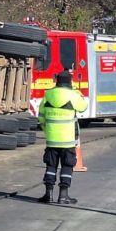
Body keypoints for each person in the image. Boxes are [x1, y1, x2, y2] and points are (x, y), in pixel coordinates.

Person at [37, 71, 88, 204]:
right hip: (67, 140)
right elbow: (83, 107)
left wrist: (47, 130)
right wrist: (78, 94)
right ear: (70, 82)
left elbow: (41, 116)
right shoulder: (72, 95)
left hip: (52, 139)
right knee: (67, 165)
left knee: (51, 166)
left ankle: (48, 195)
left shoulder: (48, 95)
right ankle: (63, 196)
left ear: (57, 81)